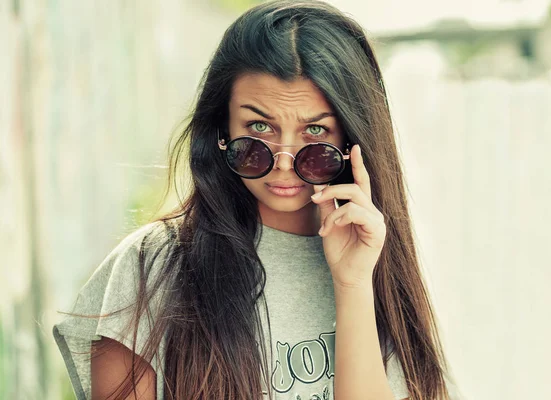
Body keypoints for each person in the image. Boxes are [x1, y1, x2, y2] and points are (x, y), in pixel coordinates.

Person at [53, 0, 460, 399]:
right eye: (260, 125)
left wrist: (352, 283)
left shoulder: (381, 267)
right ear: (222, 130)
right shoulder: (150, 267)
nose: (283, 162)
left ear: (353, 139)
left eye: (315, 132)